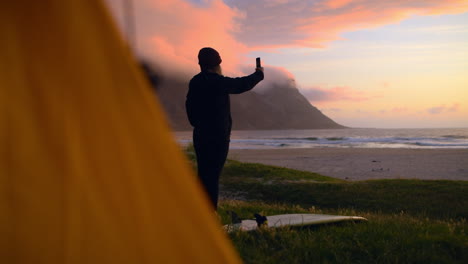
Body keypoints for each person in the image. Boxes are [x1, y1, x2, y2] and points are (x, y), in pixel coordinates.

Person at [186, 47, 264, 210]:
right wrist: (258, 74)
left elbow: (190, 108)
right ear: (216, 64)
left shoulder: (195, 81)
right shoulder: (216, 81)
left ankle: (197, 212)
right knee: (212, 177)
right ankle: (209, 217)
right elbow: (241, 84)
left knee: (203, 175)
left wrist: (198, 124)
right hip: (218, 138)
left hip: (200, 136)